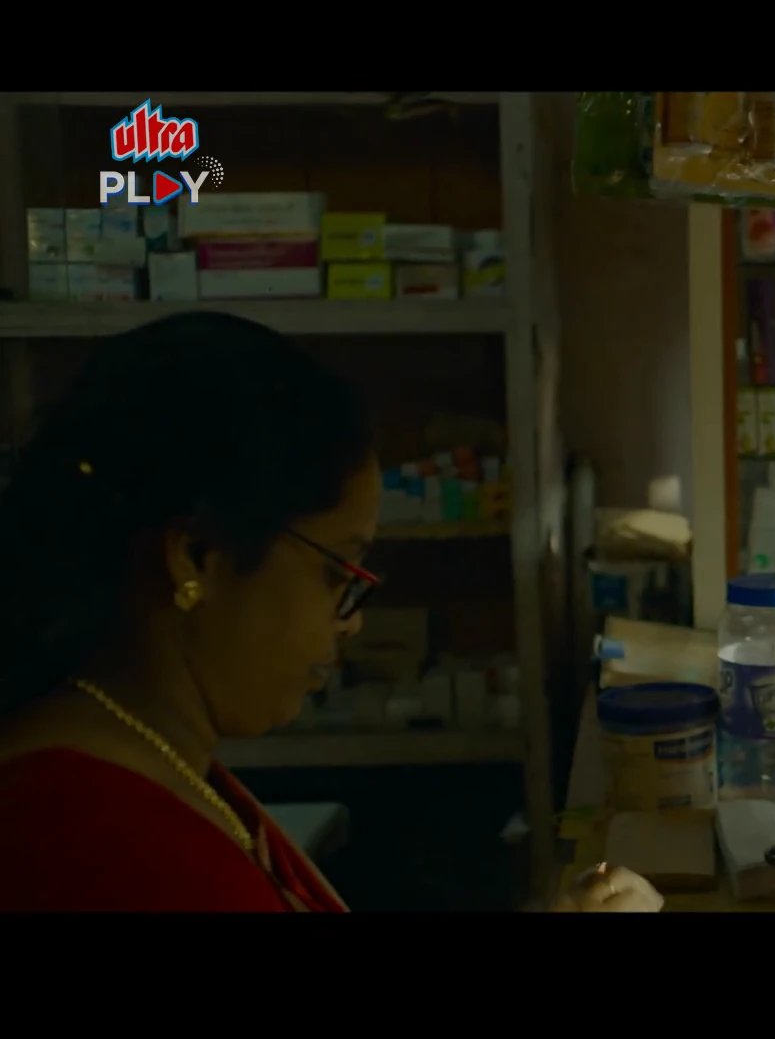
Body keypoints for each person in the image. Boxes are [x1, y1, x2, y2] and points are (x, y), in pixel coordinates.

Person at [0, 311, 661, 913]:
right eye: (336, 571)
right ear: (198, 558)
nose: (351, 620)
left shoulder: (152, 757)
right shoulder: (90, 836)